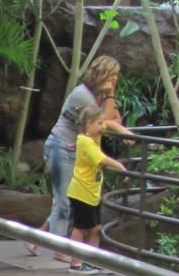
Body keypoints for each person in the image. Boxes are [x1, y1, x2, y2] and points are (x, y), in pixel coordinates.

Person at [32, 54, 133, 261]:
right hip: (61, 148)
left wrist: (109, 98)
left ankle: (34, 238)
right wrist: (118, 124)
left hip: (74, 151)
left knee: (67, 200)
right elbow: (103, 122)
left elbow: (115, 118)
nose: (114, 81)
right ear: (104, 74)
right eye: (112, 77)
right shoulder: (83, 95)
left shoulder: (97, 96)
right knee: (64, 202)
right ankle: (60, 250)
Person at [66, 103, 125, 273]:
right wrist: (120, 166)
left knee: (95, 228)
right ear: (89, 123)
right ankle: (75, 263)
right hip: (81, 192)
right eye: (98, 124)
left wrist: (126, 133)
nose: (102, 127)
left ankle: (93, 260)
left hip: (91, 193)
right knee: (80, 228)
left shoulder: (93, 137)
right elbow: (100, 159)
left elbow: (109, 123)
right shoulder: (85, 141)